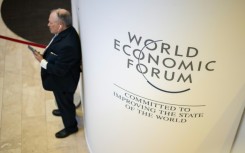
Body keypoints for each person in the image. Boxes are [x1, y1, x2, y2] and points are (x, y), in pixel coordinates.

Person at [32, 8, 81, 138]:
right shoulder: (66, 30)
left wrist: (42, 61)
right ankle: (63, 109)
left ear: (60, 25)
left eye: (50, 22)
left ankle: (71, 127)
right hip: (61, 80)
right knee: (62, 101)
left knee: (65, 102)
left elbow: (59, 70)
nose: (48, 24)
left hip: (64, 82)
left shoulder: (68, 45)